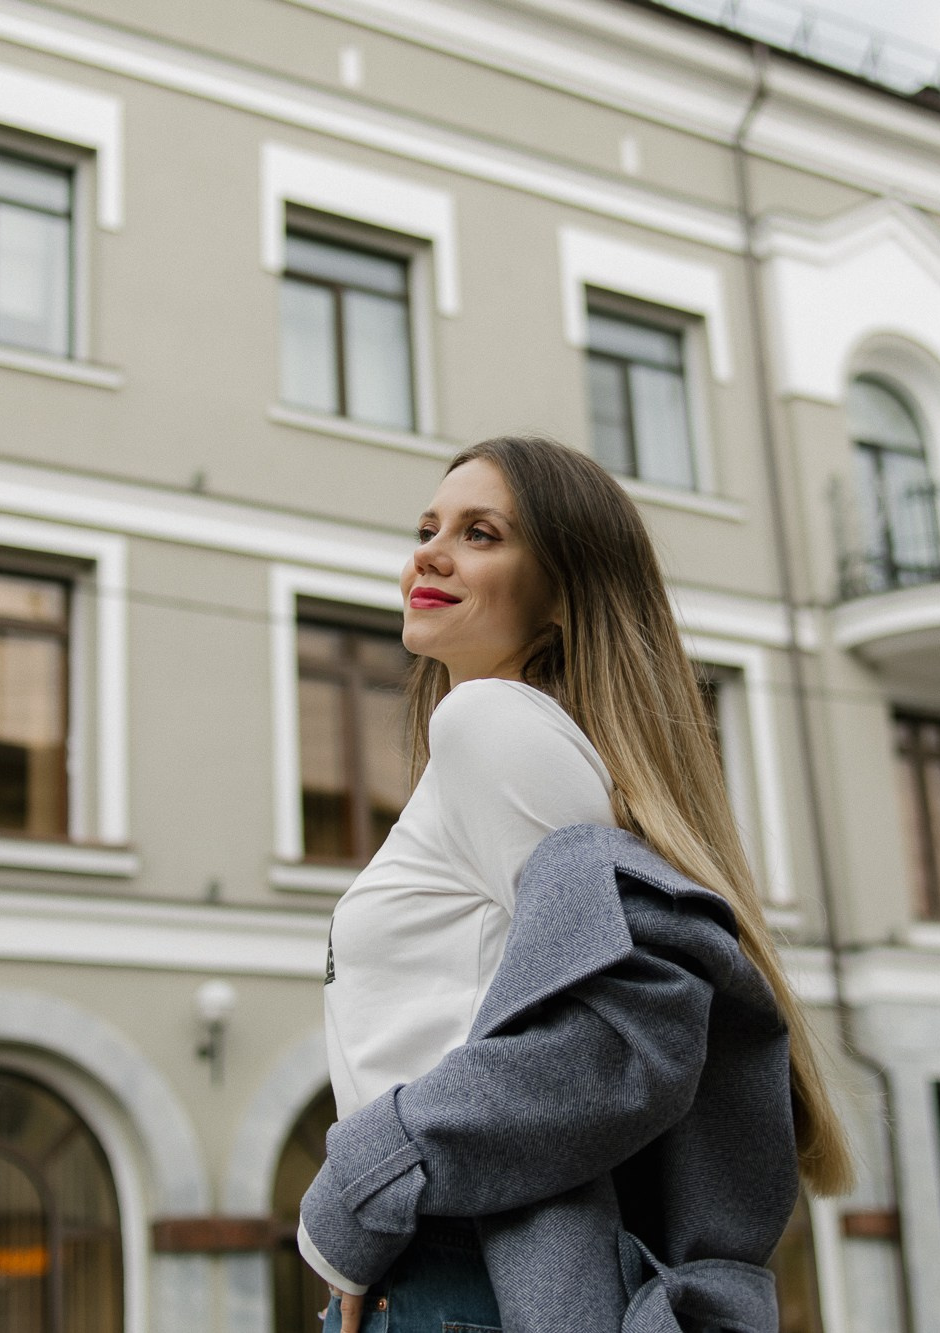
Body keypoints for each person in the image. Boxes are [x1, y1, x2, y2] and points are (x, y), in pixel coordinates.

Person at [296, 435, 853, 1333]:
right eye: (428, 527)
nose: (428, 553)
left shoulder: (487, 724)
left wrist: (362, 1185)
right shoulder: (502, 743)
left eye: (481, 534)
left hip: (461, 1267)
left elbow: (634, 1031)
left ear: (561, 594)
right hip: (450, 1267)